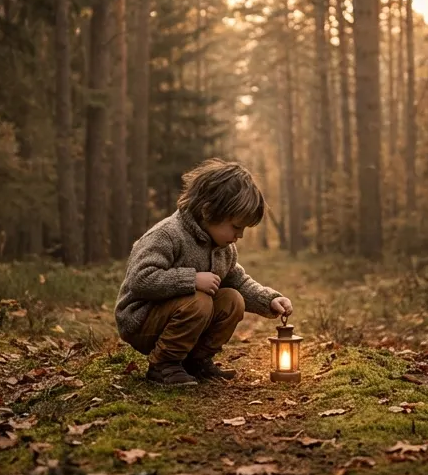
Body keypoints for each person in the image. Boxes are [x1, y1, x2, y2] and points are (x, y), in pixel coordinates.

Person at [115, 159, 294, 386]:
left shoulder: (223, 249)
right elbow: (140, 279)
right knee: (199, 301)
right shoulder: (167, 235)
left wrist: (270, 300)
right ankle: (163, 365)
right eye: (236, 227)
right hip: (142, 322)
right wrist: (191, 279)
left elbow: (238, 281)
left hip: (181, 318)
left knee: (232, 299)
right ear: (208, 212)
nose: (239, 235)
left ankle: (196, 362)